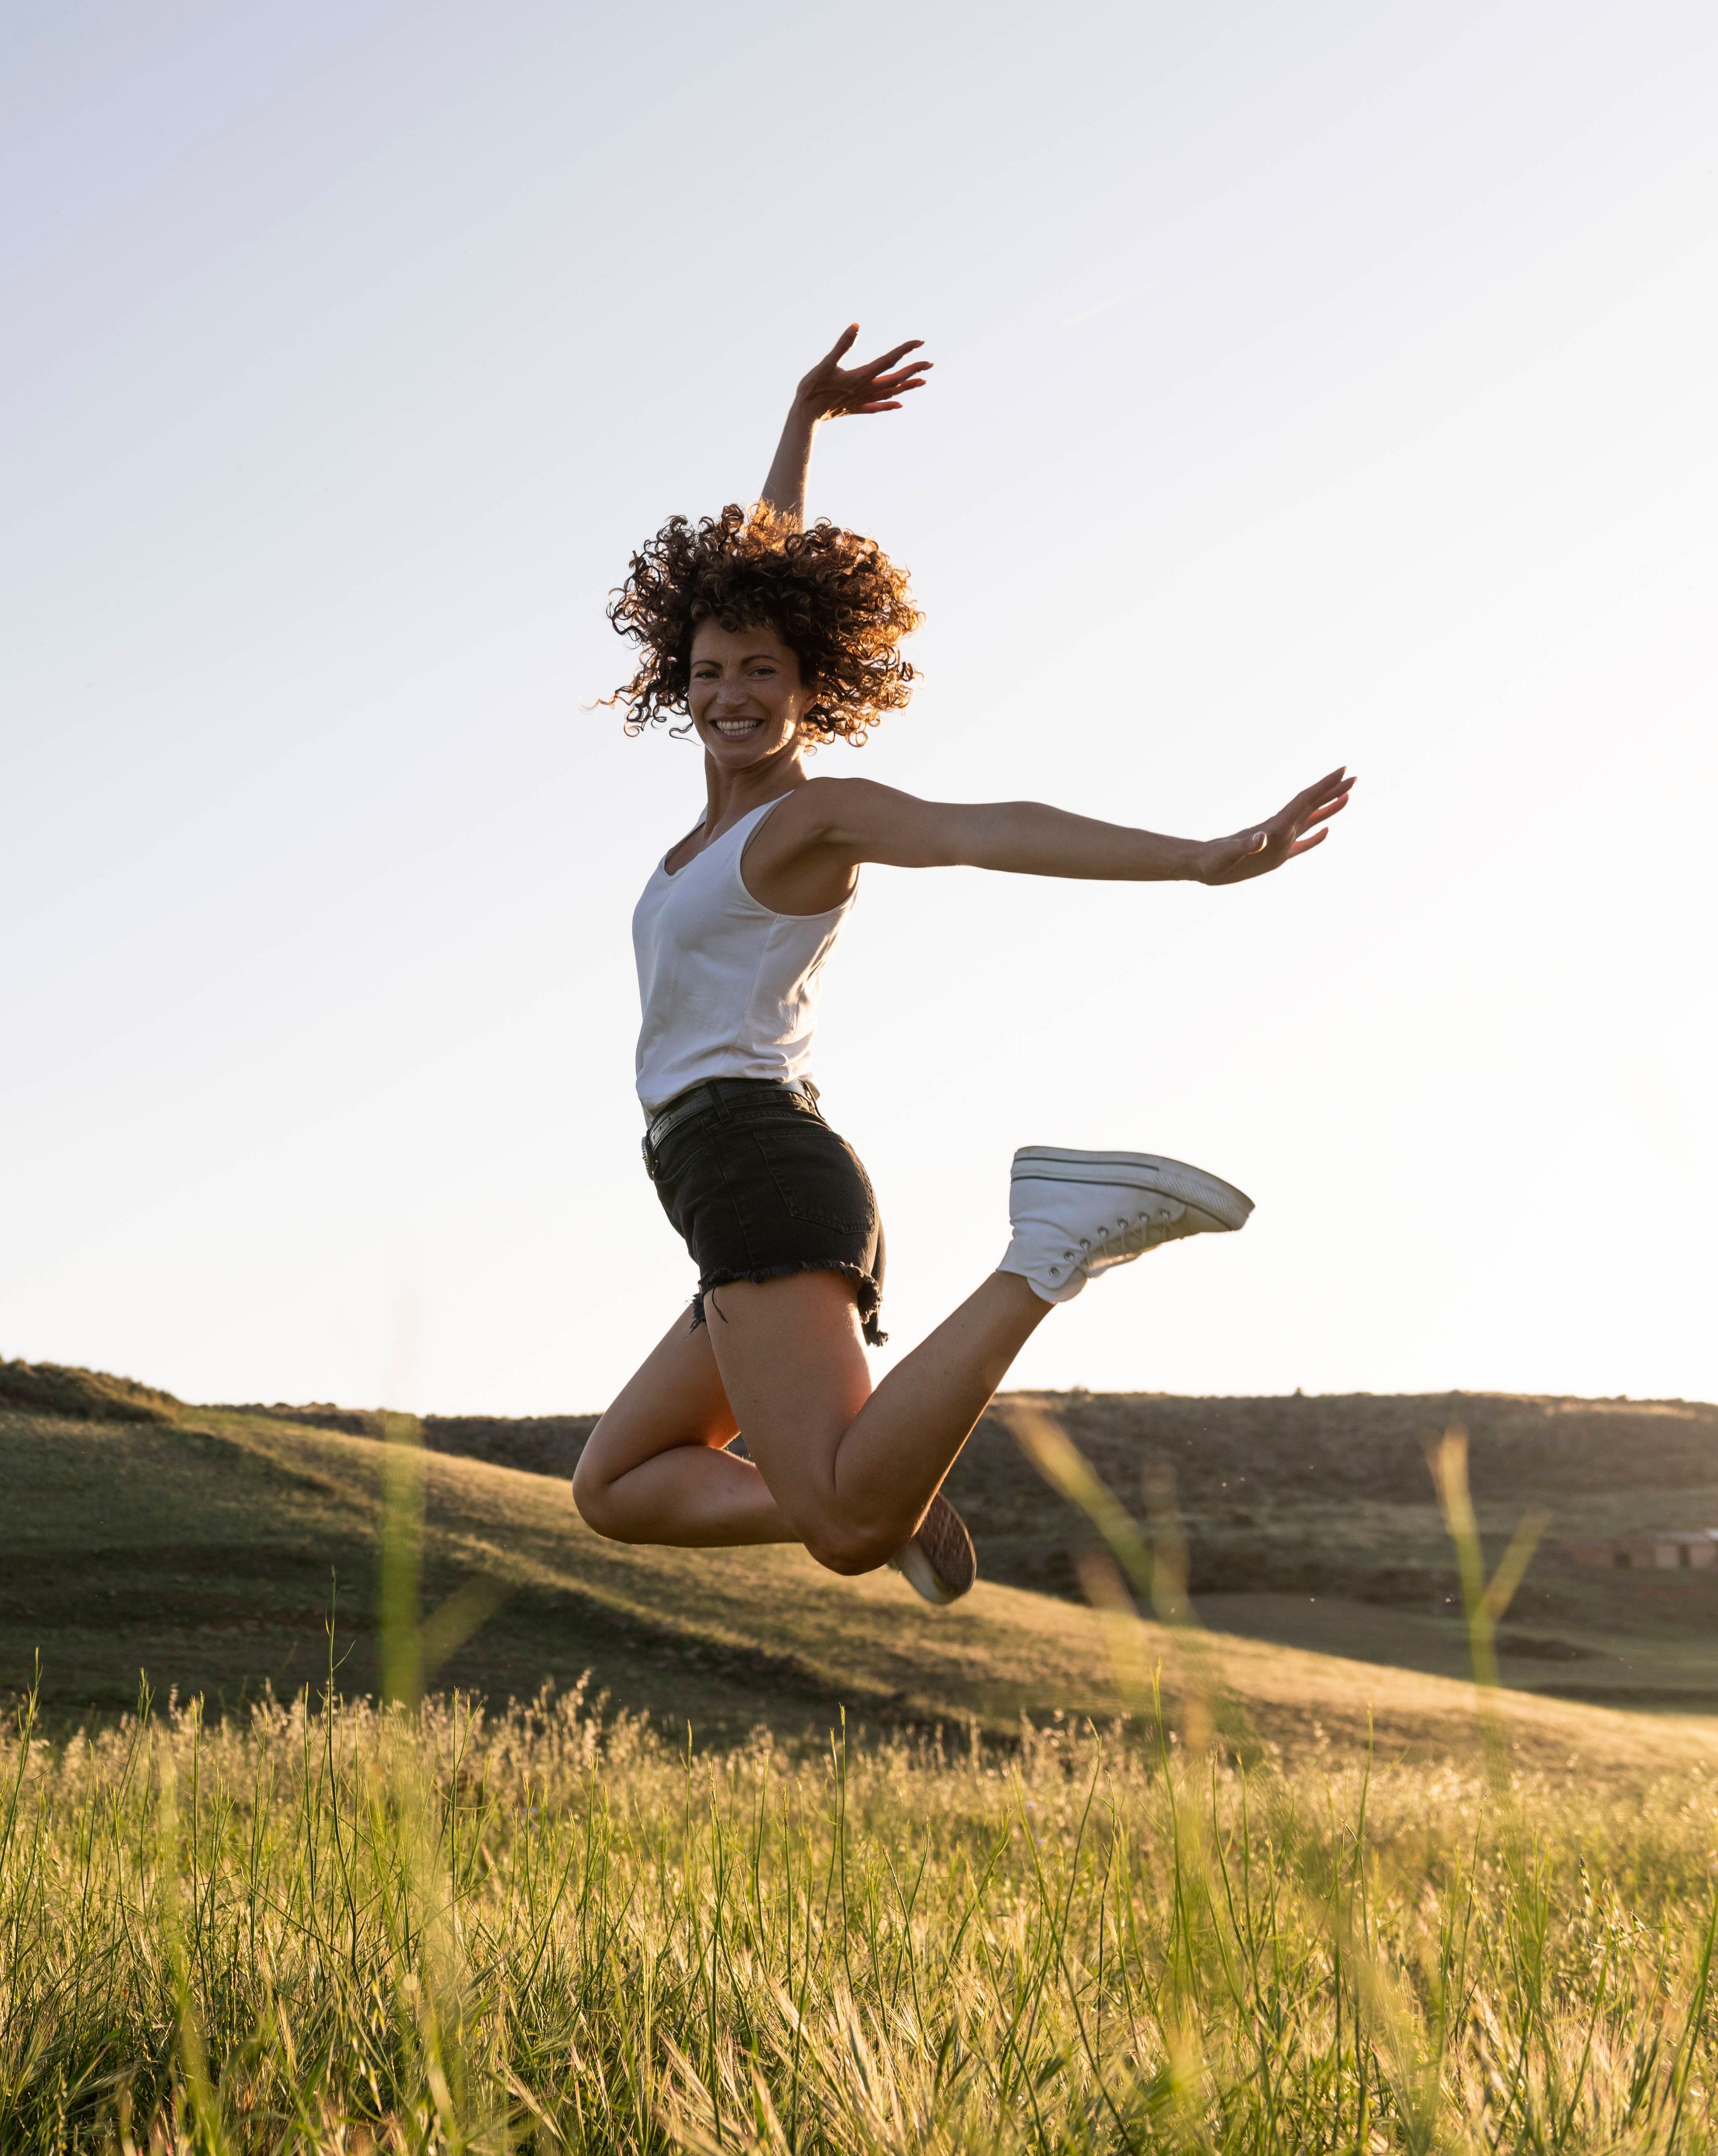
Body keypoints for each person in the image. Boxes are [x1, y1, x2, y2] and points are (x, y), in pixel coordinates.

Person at [567, 326, 1354, 1603]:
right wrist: (803, 424)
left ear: (813, 687)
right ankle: (894, 1482)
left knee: (841, 1531)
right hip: (716, 1180)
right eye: (710, 671)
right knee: (619, 1486)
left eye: (765, 672)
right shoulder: (709, 830)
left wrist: (1201, 857)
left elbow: (988, 832)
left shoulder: (808, 820)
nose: (733, 693)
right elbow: (763, 570)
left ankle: (1047, 1249)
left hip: (761, 1162)